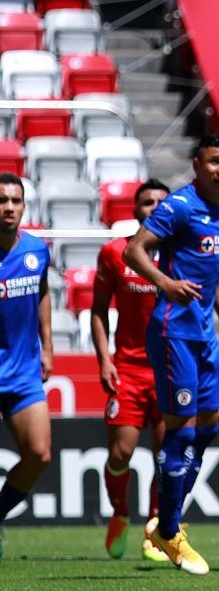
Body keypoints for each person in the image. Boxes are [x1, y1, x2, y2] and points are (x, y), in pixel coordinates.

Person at [125, 135, 219, 575]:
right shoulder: (179, 205)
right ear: (198, 164)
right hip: (173, 330)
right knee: (181, 431)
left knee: (209, 429)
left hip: (206, 333)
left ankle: (165, 522)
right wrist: (165, 283)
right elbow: (133, 250)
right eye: (215, 161)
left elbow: (208, 272)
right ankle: (170, 529)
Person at [91, 178, 172, 562]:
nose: (154, 207)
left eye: (161, 201)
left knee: (164, 454)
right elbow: (98, 309)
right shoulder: (115, 253)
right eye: (146, 202)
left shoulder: (181, 254)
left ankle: (156, 528)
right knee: (121, 453)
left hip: (169, 370)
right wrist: (105, 359)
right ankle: (120, 513)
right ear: (135, 209)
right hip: (128, 369)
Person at [0, 173, 52, 561]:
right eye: (2, 201)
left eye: (16, 201)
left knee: (39, 454)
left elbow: (42, 291)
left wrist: (48, 345)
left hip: (22, 373)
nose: (9, 208)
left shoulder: (37, 250)